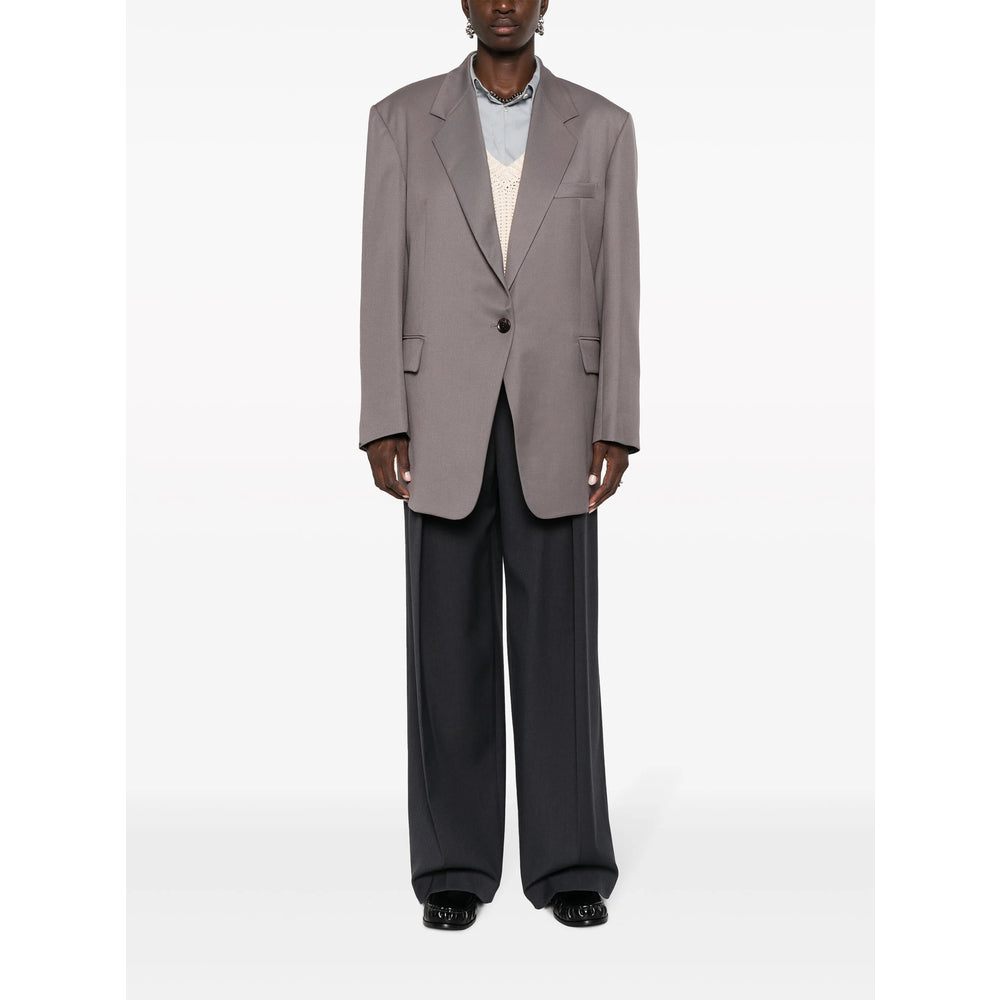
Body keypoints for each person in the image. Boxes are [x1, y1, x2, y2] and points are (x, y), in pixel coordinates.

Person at [358, 0, 640, 929]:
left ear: (546, 2)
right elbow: (380, 273)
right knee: (446, 644)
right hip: (439, 413)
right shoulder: (401, 121)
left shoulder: (603, 127)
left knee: (561, 647)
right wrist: (383, 415)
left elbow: (620, 279)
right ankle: (452, 865)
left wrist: (617, 419)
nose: (505, 3)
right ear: (464, 3)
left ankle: (570, 863)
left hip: (561, 412)